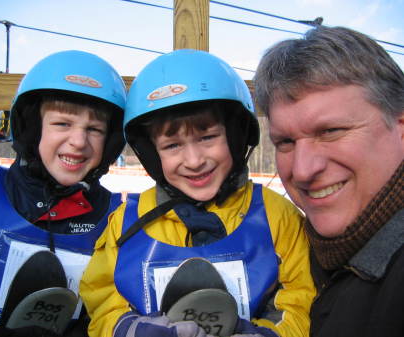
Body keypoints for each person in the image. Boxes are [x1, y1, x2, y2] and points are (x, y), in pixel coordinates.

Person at [80, 49, 316, 337]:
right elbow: (102, 296)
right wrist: (127, 328)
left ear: (235, 135)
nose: (194, 160)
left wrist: (268, 334)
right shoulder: (127, 223)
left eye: (207, 137)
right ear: (151, 154)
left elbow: (302, 298)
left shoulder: (276, 216)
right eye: (172, 146)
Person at [0, 50, 127, 337]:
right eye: (62, 124)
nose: (78, 141)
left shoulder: (112, 217)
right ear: (33, 129)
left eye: (94, 129)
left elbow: (109, 304)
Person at [253, 26, 404, 337]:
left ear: (400, 127)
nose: (303, 170)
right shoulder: (307, 255)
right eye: (284, 142)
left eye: (330, 132)